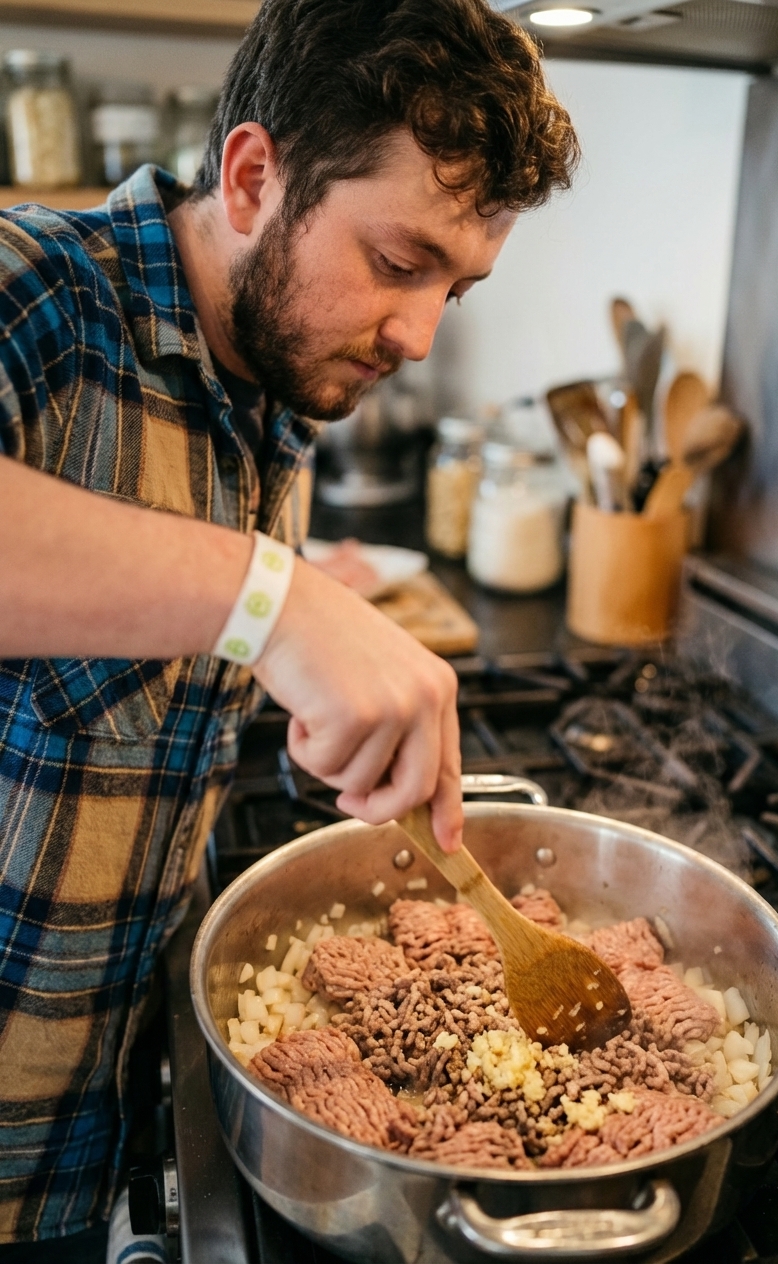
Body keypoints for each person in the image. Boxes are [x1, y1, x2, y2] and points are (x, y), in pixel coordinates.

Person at [0, 0, 579, 1252]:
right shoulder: (37, 294)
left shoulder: (271, 388)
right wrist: (272, 600)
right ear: (254, 176)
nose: (420, 337)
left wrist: (308, 706)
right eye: (398, 261)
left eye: (457, 291)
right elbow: (239, 600)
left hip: (72, 1142)